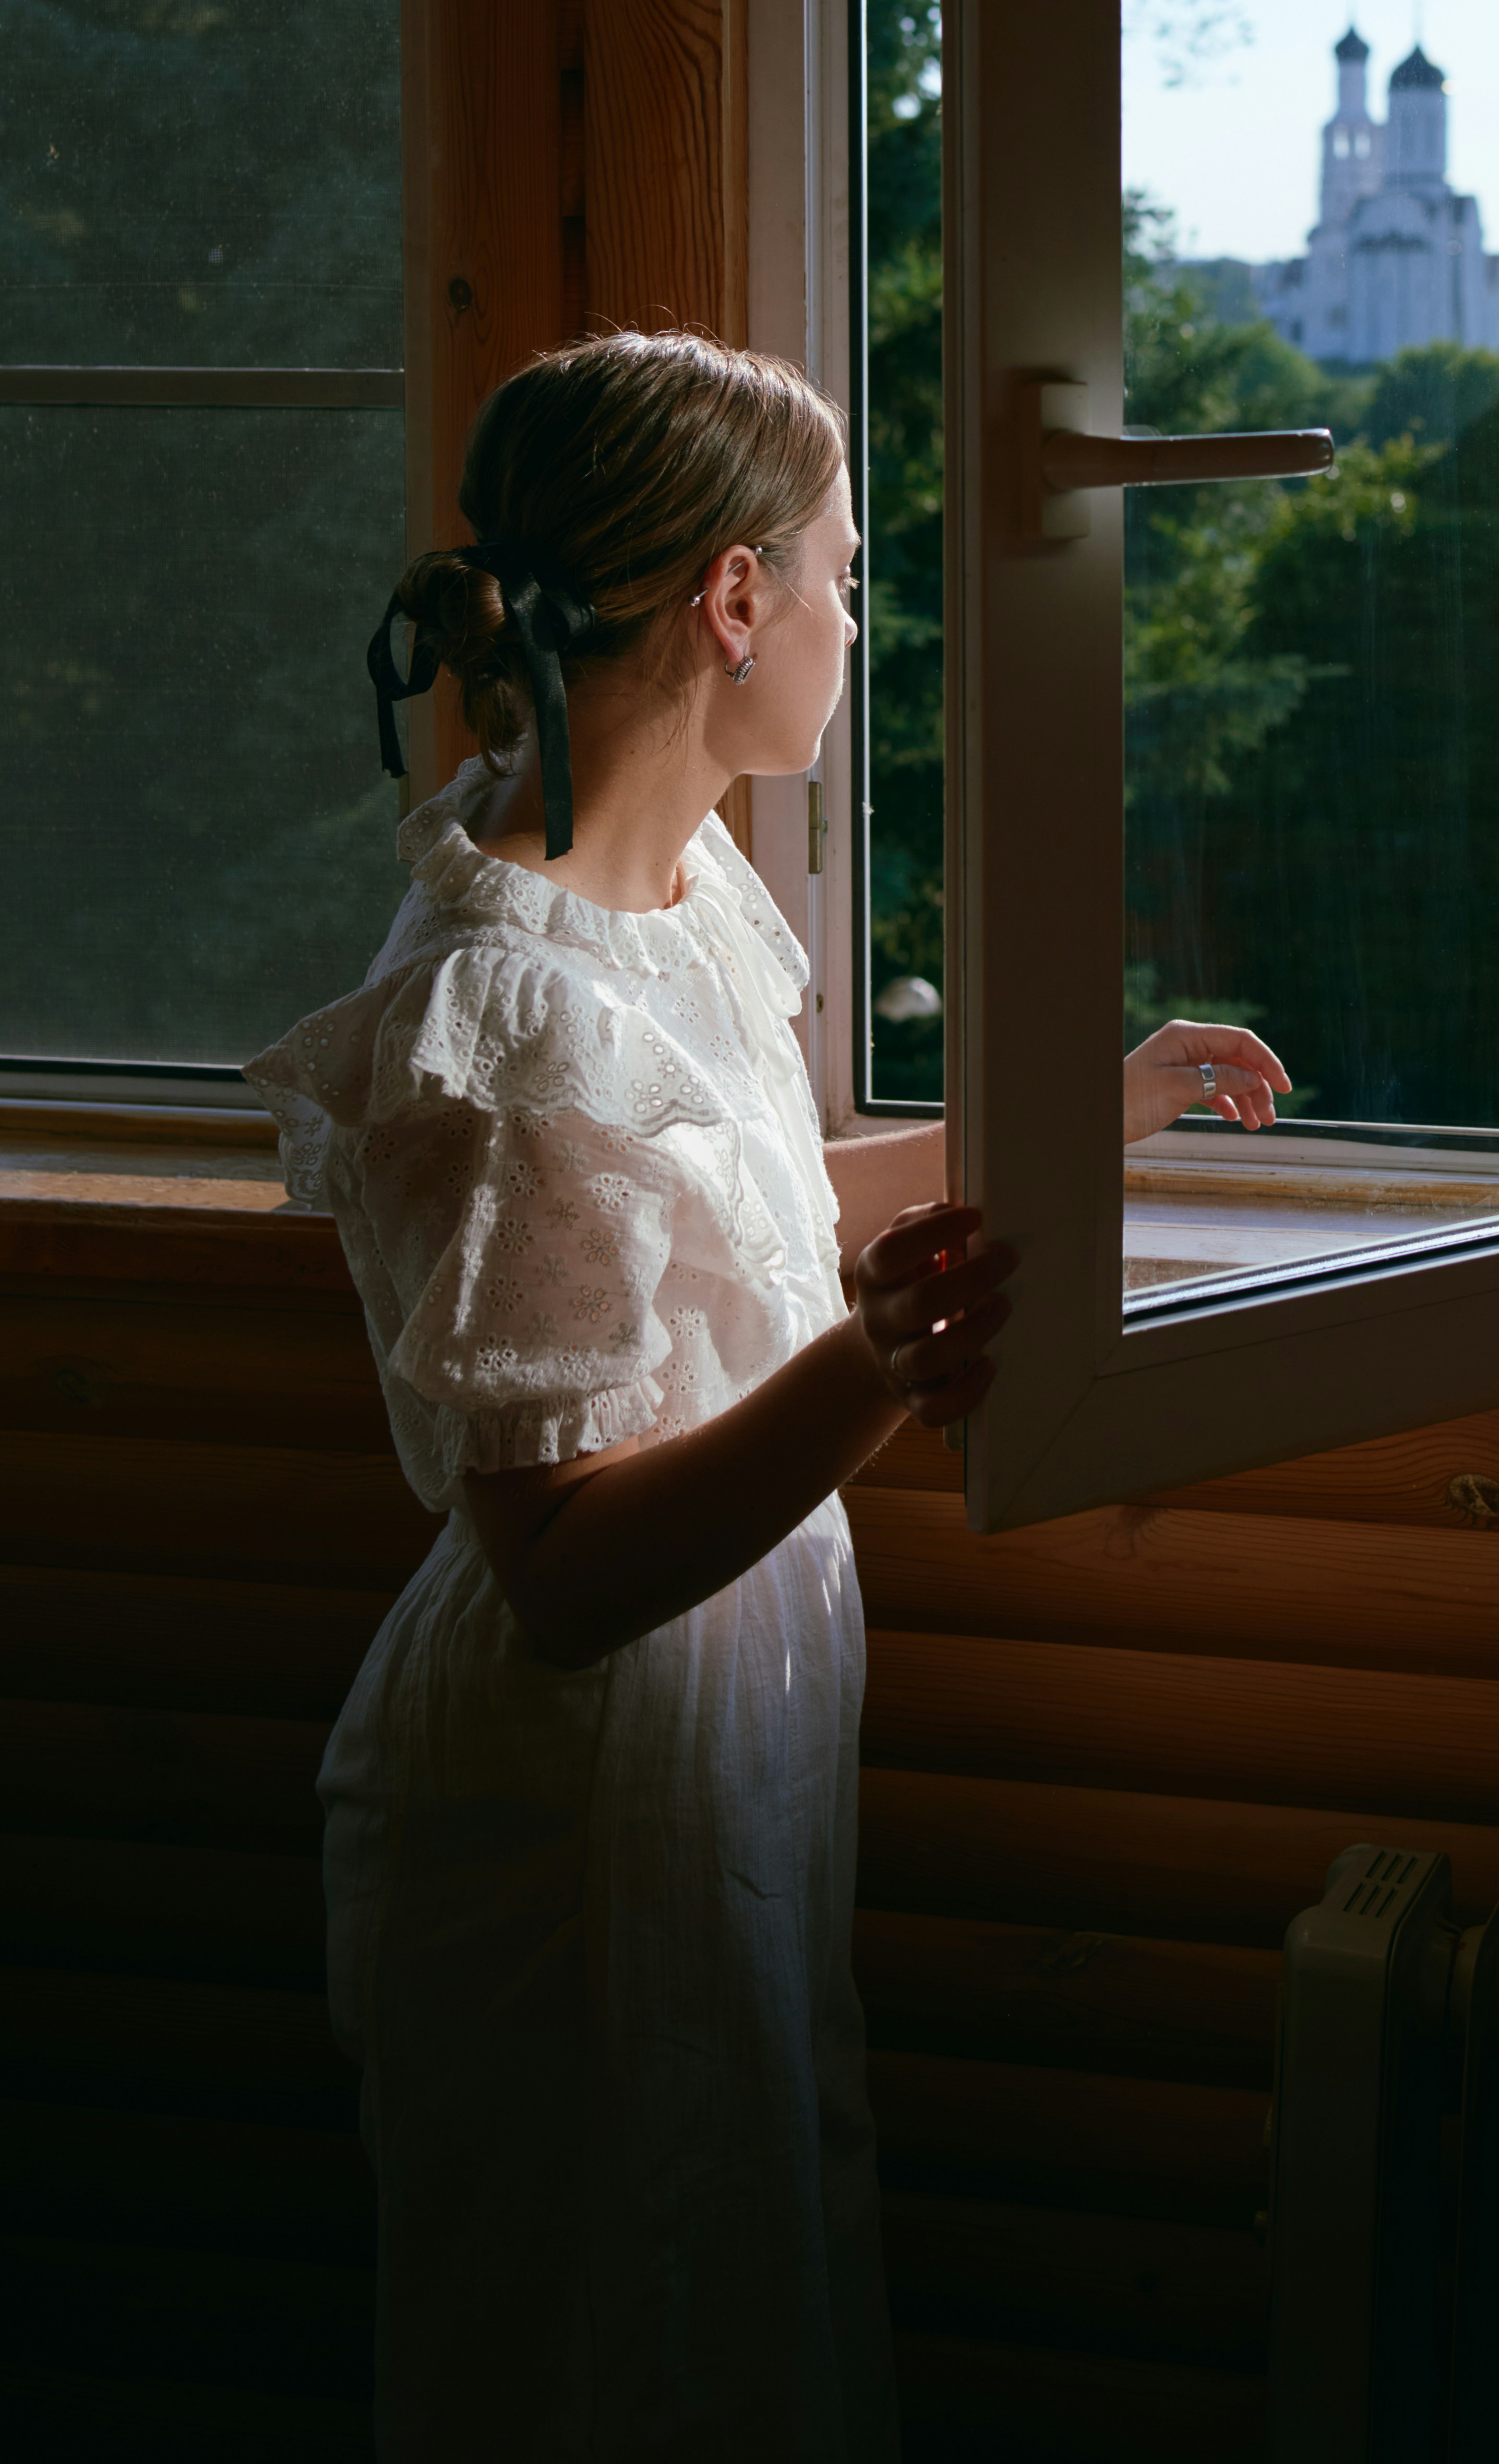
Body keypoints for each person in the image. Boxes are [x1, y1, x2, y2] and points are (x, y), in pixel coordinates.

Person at [246, 330, 1288, 2462]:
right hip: (568, 1779)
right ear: (730, 602)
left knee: (729, 2284)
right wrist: (876, 1368)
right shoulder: (498, 1009)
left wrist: (1071, 1131)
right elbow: (553, 1559)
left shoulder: (674, 885)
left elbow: (738, 1206)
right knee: (593, 2344)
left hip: (714, 1712)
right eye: (837, 572)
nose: (853, 617)